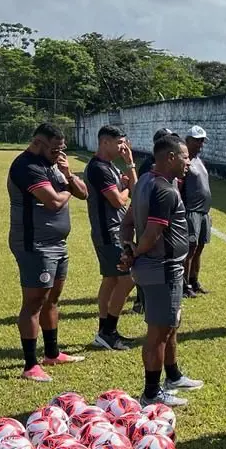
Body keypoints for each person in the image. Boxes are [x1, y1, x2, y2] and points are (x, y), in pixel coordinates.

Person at [119, 134, 204, 407]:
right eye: (184, 157)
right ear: (170, 158)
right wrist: (135, 252)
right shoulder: (165, 191)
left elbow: (128, 221)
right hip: (162, 269)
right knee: (159, 332)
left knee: (170, 325)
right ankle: (152, 392)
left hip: (157, 267)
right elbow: (153, 234)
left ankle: (173, 376)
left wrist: (127, 248)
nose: (188, 162)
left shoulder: (145, 181)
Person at [6, 123, 88, 382]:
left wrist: (68, 174)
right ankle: (30, 365)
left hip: (57, 243)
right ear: (38, 143)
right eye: (54, 150)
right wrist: (66, 190)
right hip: (35, 244)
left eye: (61, 149)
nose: (59, 154)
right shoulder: (25, 166)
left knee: (52, 299)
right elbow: (53, 202)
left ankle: (52, 353)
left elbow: (83, 193)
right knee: (34, 302)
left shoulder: (53, 165)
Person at [85, 124, 137, 351]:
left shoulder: (111, 167)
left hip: (114, 231)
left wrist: (130, 165)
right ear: (104, 142)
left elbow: (134, 189)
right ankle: (108, 331)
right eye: (119, 143)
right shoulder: (99, 168)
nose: (123, 147)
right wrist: (124, 189)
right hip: (109, 232)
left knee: (111, 280)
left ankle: (103, 332)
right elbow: (119, 200)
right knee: (128, 278)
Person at [132, 127, 179, 314]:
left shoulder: (164, 177)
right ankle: (140, 301)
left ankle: (144, 300)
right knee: (162, 327)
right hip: (160, 257)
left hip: (156, 246)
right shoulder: (155, 178)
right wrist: (135, 251)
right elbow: (152, 230)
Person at [180, 126, 212, 297]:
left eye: (202, 141)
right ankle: (184, 284)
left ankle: (194, 280)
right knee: (189, 249)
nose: (200, 144)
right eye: (197, 140)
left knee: (199, 248)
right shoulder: (185, 162)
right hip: (191, 210)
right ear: (188, 141)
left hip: (203, 211)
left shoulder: (199, 160)